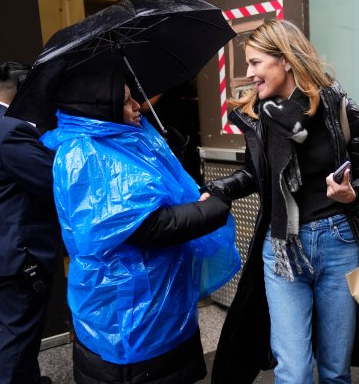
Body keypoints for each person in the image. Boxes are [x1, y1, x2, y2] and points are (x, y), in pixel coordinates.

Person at [38, 57, 241, 384]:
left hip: (150, 297)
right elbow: (151, 226)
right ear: (100, 107)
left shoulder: (114, 140)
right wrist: (215, 207)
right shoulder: (88, 154)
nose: (137, 106)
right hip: (130, 309)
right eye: (126, 100)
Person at [203, 19, 359, 384]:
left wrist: (354, 193)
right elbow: (258, 174)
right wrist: (220, 187)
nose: (250, 73)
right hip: (282, 247)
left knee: (334, 370)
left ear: (285, 59)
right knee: (295, 372)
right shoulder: (258, 114)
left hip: (339, 244)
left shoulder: (335, 104)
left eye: (256, 62)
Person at [0, 61, 60, 384]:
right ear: (20, 86)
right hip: (20, 255)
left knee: (16, 331)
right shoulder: (12, 130)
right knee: (17, 338)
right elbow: (51, 181)